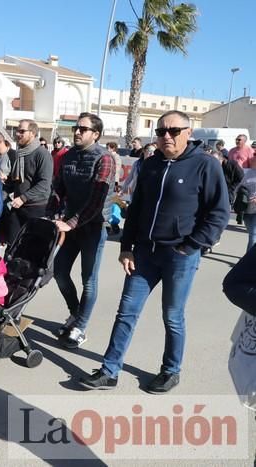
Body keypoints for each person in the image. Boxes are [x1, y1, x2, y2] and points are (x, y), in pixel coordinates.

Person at [80, 110, 230, 393]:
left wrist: (191, 245)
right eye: (161, 132)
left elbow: (218, 214)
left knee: (172, 316)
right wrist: (126, 247)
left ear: (189, 132)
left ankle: (171, 370)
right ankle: (109, 370)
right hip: (145, 254)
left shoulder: (205, 165)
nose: (167, 137)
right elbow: (136, 209)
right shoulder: (150, 165)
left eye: (173, 131)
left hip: (180, 256)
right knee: (126, 312)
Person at [47, 112, 116, 348]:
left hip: (93, 227)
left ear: (95, 134)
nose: (77, 131)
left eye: (83, 129)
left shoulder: (104, 159)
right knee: (59, 272)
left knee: (89, 280)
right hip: (70, 225)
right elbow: (59, 188)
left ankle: (81, 327)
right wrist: (53, 212)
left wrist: (71, 222)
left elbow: (98, 200)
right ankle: (75, 313)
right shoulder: (68, 156)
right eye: (76, 127)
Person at [5, 119, 53, 244]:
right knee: (12, 246)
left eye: (22, 131)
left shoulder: (42, 154)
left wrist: (23, 198)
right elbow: (18, 180)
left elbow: (44, 183)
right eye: (17, 131)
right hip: (17, 207)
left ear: (32, 133)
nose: (17, 134)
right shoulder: (20, 153)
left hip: (36, 208)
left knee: (33, 250)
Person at [238, 157, 256, 251]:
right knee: (251, 233)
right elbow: (240, 186)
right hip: (246, 208)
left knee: (253, 235)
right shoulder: (249, 172)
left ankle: (248, 261)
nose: (252, 159)